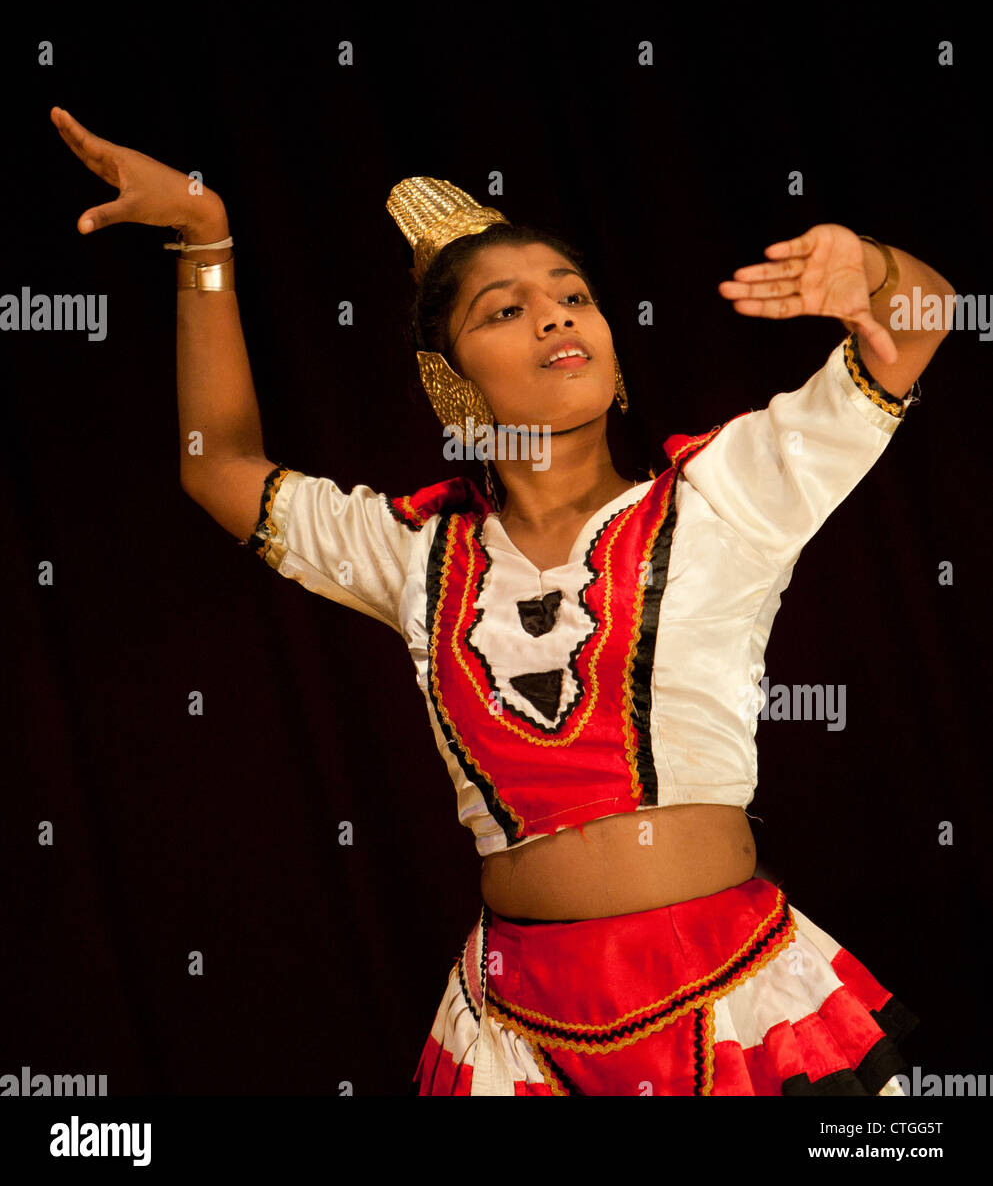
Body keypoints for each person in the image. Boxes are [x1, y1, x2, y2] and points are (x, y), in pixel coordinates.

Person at [51, 108, 952, 1096]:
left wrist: (868, 269)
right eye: (504, 309)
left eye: (573, 296)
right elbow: (215, 467)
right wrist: (204, 237)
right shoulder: (415, 552)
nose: (557, 315)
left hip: (733, 1010)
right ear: (450, 381)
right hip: (512, 1035)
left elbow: (921, 325)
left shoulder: (726, 494)